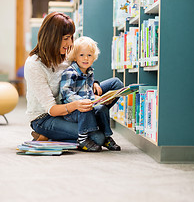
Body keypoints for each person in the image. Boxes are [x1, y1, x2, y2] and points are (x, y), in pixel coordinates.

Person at [24, 12, 123, 152]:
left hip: (72, 108)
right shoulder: (34, 64)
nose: (70, 43)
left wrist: (94, 83)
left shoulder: (66, 56)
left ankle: (90, 120)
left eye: (71, 37)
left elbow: (82, 72)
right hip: (46, 118)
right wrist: (77, 104)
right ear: (53, 37)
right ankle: (48, 135)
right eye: (66, 38)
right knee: (97, 138)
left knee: (116, 85)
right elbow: (51, 109)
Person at [60, 36, 121, 152]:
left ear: (94, 57)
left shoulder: (89, 71)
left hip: (89, 103)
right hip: (73, 110)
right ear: (75, 56)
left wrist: (99, 98)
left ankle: (107, 137)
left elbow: (88, 90)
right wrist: (85, 101)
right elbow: (66, 93)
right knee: (85, 106)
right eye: (81, 55)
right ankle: (82, 139)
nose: (85, 58)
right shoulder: (70, 72)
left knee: (103, 108)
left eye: (89, 55)